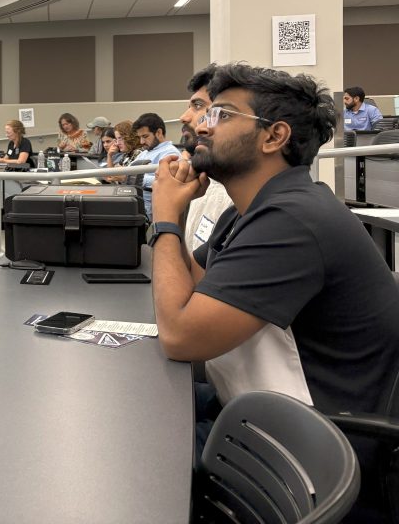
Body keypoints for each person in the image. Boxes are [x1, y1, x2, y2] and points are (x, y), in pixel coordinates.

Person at [150, 62, 399, 418]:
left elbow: (180, 338)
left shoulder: (292, 221)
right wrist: (173, 213)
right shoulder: (245, 212)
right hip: (251, 408)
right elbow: (191, 289)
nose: (203, 126)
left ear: (274, 137)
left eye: (222, 115)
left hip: (306, 447)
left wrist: (165, 218)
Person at [179, 65, 233, 252]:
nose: (184, 117)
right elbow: (195, 270)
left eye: (198, 106)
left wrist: (166, 218)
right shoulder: (204, 183)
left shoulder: (237, 197)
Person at [131, 112, 178, 219]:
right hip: (137, 204)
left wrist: (133, 178)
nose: (141, 141)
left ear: (159, 132)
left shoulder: (171, 154)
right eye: (140, 137)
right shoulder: (144, 153)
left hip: (150, 211)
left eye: (145, 136)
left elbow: (168, 182)